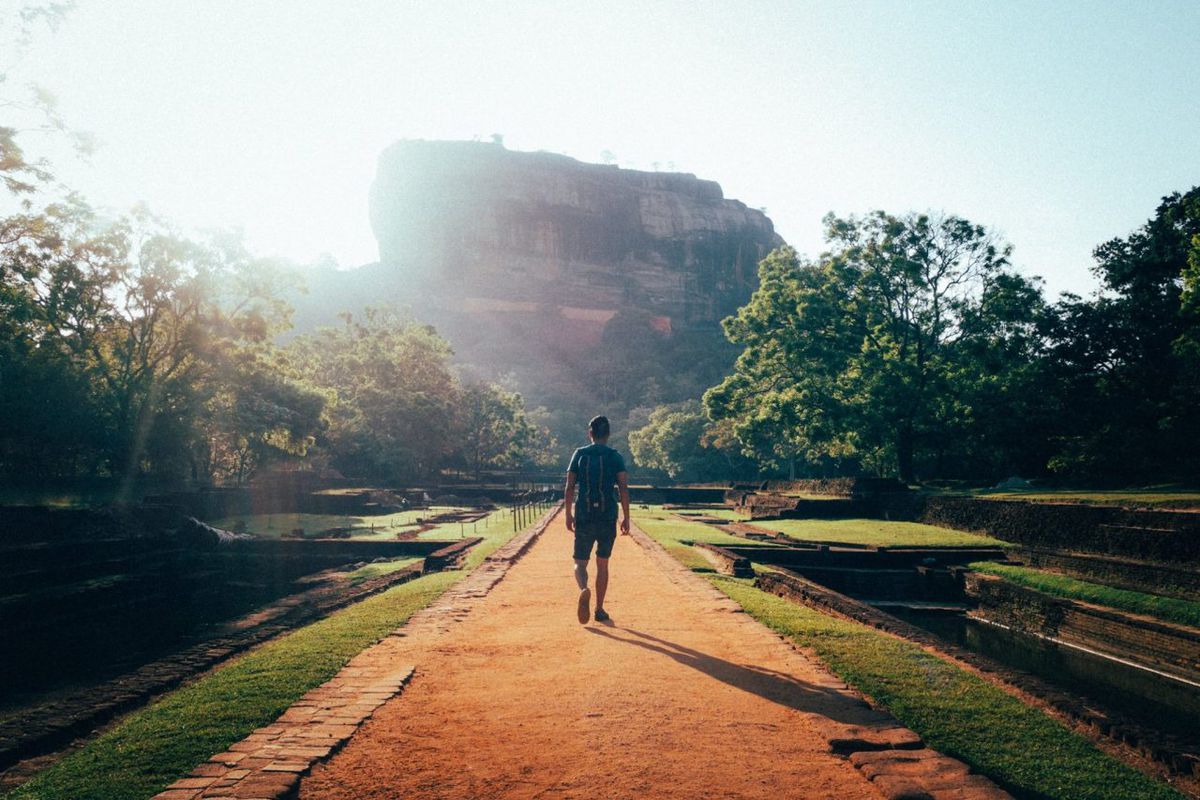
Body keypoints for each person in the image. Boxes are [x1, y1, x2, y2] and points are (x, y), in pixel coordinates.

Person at [564, 415, 631, 624]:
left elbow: (569, 487)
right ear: (608, 434)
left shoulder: (580, 454)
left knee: (580, 563)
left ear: (590, 433)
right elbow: (623, 488)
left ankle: (584, 588)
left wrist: (568, 513)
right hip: (607, 515)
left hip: (584, 514)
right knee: (603, 564)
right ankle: (599, 609)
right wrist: (626, 517)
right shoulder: (615, 456)